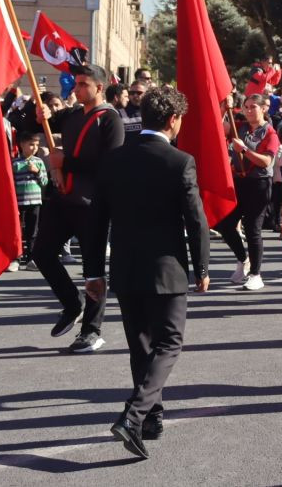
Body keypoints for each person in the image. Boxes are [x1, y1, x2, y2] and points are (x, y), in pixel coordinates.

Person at [84, 85, 210, 461]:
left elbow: (95, 222)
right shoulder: (179, 161)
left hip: (124, 268)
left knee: (141, 346)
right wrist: (202, 266)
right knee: (169, 343)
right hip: (166, 269)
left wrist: (93, 272)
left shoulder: (113, 160)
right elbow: (196, 220)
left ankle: (152, 418)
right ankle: (134, 414)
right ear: (173, 120)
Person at [34, 63, 126, 354]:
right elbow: (32, 123)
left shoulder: (111, 120)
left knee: (93, 268)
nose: (76, 89)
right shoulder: (72, 114)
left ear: (99, 88)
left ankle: (91, 330)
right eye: (76, 84)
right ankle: (71, 304)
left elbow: (110, 165)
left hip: (92, 205)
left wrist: (65, 162)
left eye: (83, 84)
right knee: (41, 253)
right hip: (63, 199)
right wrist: (41, 114)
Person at [214, 93, 280, 290]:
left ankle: (256, 274)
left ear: (263, 109)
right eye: (246, 107)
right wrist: (224, 108)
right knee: (224, 224)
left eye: (254, 107)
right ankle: (243, 259)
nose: (249, 110)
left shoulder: (270, 133)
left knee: (253, 229)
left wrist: (244, 151)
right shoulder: (239, 127)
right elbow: (217, 127)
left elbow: (267, 161)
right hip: (238, 184)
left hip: (259, 185)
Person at [12, 131, 48, 271]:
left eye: (36, 145)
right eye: (31, 144)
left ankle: (31, 259)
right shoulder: (15, 162)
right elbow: (12, 183)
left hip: (34, 202)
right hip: (19, 203)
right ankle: (16, 258)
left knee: (32, 232)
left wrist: (37, 172)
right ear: (22, 145)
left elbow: (44, 182)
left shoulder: (38, 162)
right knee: (18, 231)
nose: (34, 148)